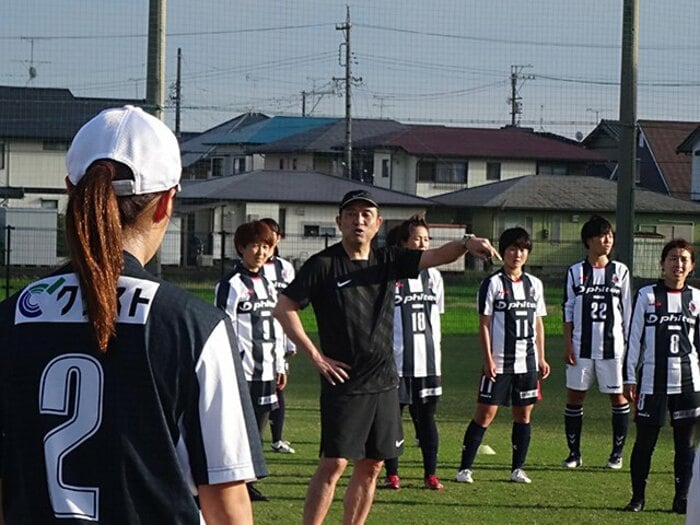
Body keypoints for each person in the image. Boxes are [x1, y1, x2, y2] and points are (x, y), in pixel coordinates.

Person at [0, 105, 266, 524]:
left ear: (73, 191)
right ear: (166, 204)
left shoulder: (11, 317)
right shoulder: (194, 326)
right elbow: (227, 505)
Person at [273, 189, 499, 525]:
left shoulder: (388, 259)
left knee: (373, 465)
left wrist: (468, 242)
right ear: (339, 222)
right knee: (334, 464)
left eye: (366, 215)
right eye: (351, 215)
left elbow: (437, 256)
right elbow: (284, 307)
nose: (358, 221)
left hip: (384, 382)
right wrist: (316, 357)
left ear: (377, 224)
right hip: (345, 383)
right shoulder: (322, 265)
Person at [456, 227, 550, 485]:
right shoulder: (493, 283)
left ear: (527, 253)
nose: (517, 254)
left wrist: (541, 358)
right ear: (503, 252)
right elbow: (484, 324)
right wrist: (488, 359)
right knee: (485, 415)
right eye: (511, 249)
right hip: (500, 364)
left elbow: (538, 324)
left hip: (527, 363)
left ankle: (517, 469)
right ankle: (464, 468)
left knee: (524, 416)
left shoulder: (535, 285)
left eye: (522, 249)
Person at [622, 239, 700, 514]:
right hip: (652, 382)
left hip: (689, 383)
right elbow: (634, 339)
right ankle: (637, 498)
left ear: (691, 266)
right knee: (645, 442)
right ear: (662, 263)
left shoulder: (697, 299)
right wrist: (629, 376)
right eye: (673, 258)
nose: (678, 264)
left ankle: (681, 499)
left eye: (684, 259)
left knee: (686, 444)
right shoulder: (646, 295)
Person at [215, 220, 287, 502]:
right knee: (239, 427)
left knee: (257, 426)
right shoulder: (230, 285)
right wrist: (229, 364)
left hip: (268, 367)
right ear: (241, 247)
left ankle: (248, 482)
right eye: (255, 245)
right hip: (242, 369)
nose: (261, 252)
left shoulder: (269, 283)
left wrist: (281, 363)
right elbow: (223, 326)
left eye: (267, 246)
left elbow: (279, 323)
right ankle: (234, 481)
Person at [562, 215, 632, 469]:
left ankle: (616, 454)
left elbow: (628, 311)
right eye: (602, 235)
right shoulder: (576, 272)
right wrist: (568, 343)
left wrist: (629, 350)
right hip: (581, 347)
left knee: (618, 397)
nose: (607, 240)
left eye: (610, 235)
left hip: (613, 349)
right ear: (588, 240)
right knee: (575, 397)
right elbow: (568, 309)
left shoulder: (620, 272)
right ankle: (574, 454)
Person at [382, 214, 446, 491]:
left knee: (427, 420)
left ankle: (430, 474)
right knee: (392, 420)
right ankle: (392, 474)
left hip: (428, 363)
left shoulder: (434, 277)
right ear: (404, 243)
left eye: (427, 239)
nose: (423, 244)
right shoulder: (391, 275)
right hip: (395, 362)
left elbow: (437, 318)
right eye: (417, 238)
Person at [260, 217, 297, 455]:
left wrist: (291, 339)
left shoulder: (285, 267)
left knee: (278, 387)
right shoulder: (252, 267)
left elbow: (292, 304)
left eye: (273, 235)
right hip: (257, 338)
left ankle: (277, 438)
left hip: (280, 335)